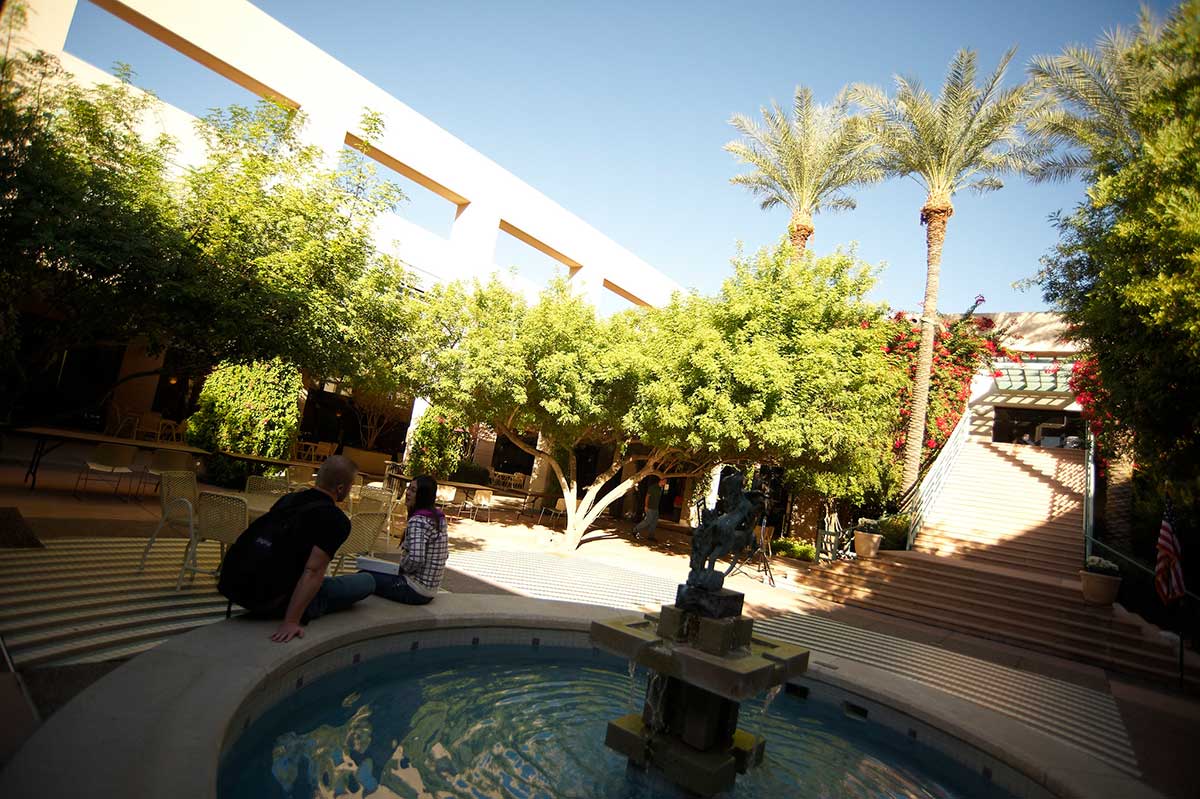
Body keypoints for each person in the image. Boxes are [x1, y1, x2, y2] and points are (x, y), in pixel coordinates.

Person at [254, 455, 375, 643]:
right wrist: (291, 621)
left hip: (253, 583)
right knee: (367, 581)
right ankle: (312, 604)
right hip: (281, 596)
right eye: (351, 486)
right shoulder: (336, 520)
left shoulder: (288, 500)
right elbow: (313, 571)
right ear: (341, 488)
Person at [370, 475, 448, 605]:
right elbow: (445, 554)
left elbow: (416, 559)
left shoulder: (418, 521)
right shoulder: (438, 518)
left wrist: (400, 569)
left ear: (422, 495)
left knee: (366, 576)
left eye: (413, 490)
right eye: (408, 488)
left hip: (414, 590)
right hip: (430, 590)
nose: (408, 493)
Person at [632, 475, 663, 542]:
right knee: (648, 521)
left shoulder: (660, 488)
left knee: (654, 522)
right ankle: (635, 530)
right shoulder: (653, 487)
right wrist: (646, 506)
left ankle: (651, 536)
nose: (665, 483)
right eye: (664, 481)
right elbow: (647, 496)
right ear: (661, 481)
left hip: (656, 508)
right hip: (650, 507)